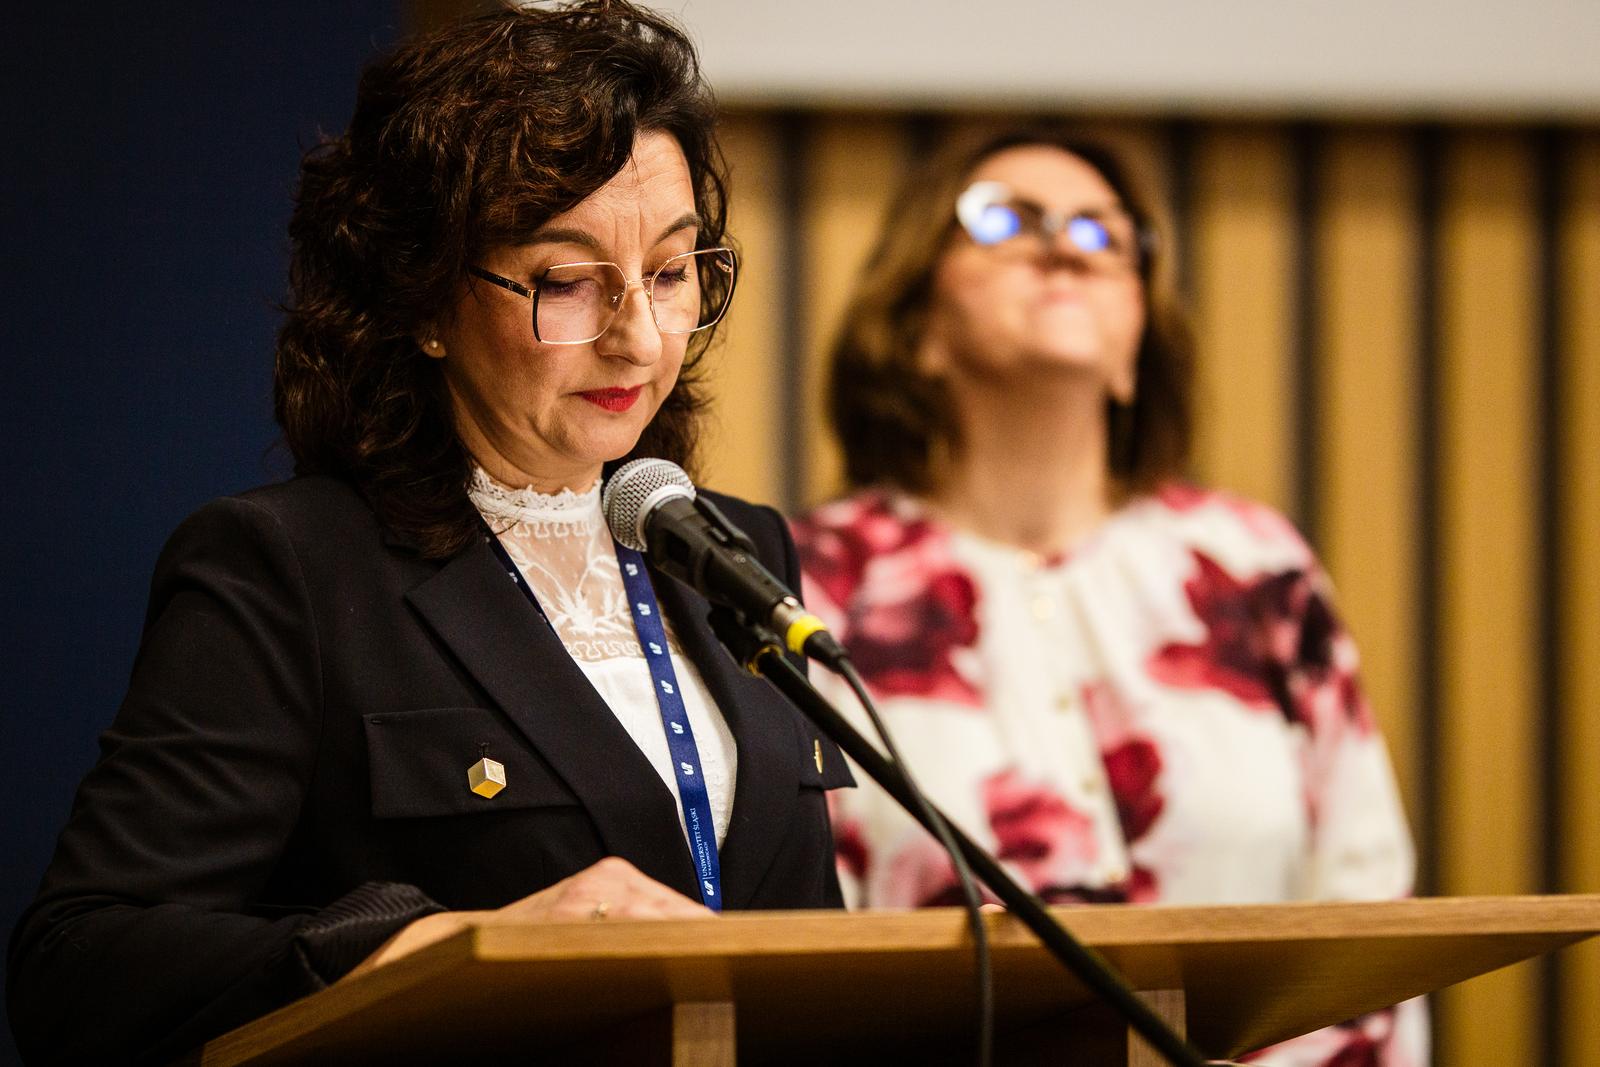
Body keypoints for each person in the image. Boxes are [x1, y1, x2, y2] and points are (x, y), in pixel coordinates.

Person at [7, 4, 853, 1064]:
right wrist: (433, 946)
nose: (639, 337)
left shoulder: (738, 551)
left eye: (672, 271)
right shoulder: (289, 570)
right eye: (567, 281)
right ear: (424, 298)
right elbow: (79, 964)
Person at [793, 128, 1428, 1065]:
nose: (1064, 247)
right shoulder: (810, 580)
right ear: (918, 328)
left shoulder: (1254, 566)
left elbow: (1368, 912)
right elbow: (801, 928)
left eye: (1104, 233)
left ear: (1135, 342)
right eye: (1004, 220)